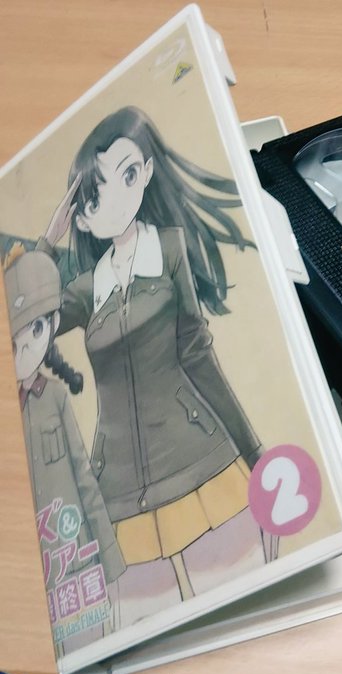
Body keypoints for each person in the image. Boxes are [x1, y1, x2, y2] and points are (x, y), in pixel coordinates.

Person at [40, 106, 268, 627]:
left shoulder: (169, 249)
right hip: (118, 493)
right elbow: (25, 318)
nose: (116, 199)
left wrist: (255, 455)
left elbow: (197, 352)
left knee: (244, 612)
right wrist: (47, 243)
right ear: (81, 216)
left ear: (145, 173)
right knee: (147, 632)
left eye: (127, 174)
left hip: (203, 465)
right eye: (95, 196)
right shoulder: (83, 291)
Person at [3, 244, 126, 651]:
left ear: (52, 324)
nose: (23, 351)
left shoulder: (55, 397)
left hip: (76, 558)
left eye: (35, 332)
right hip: (29, 576)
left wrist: (110, 560)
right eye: (12, 342)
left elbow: (83, 475)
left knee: (100, 644)